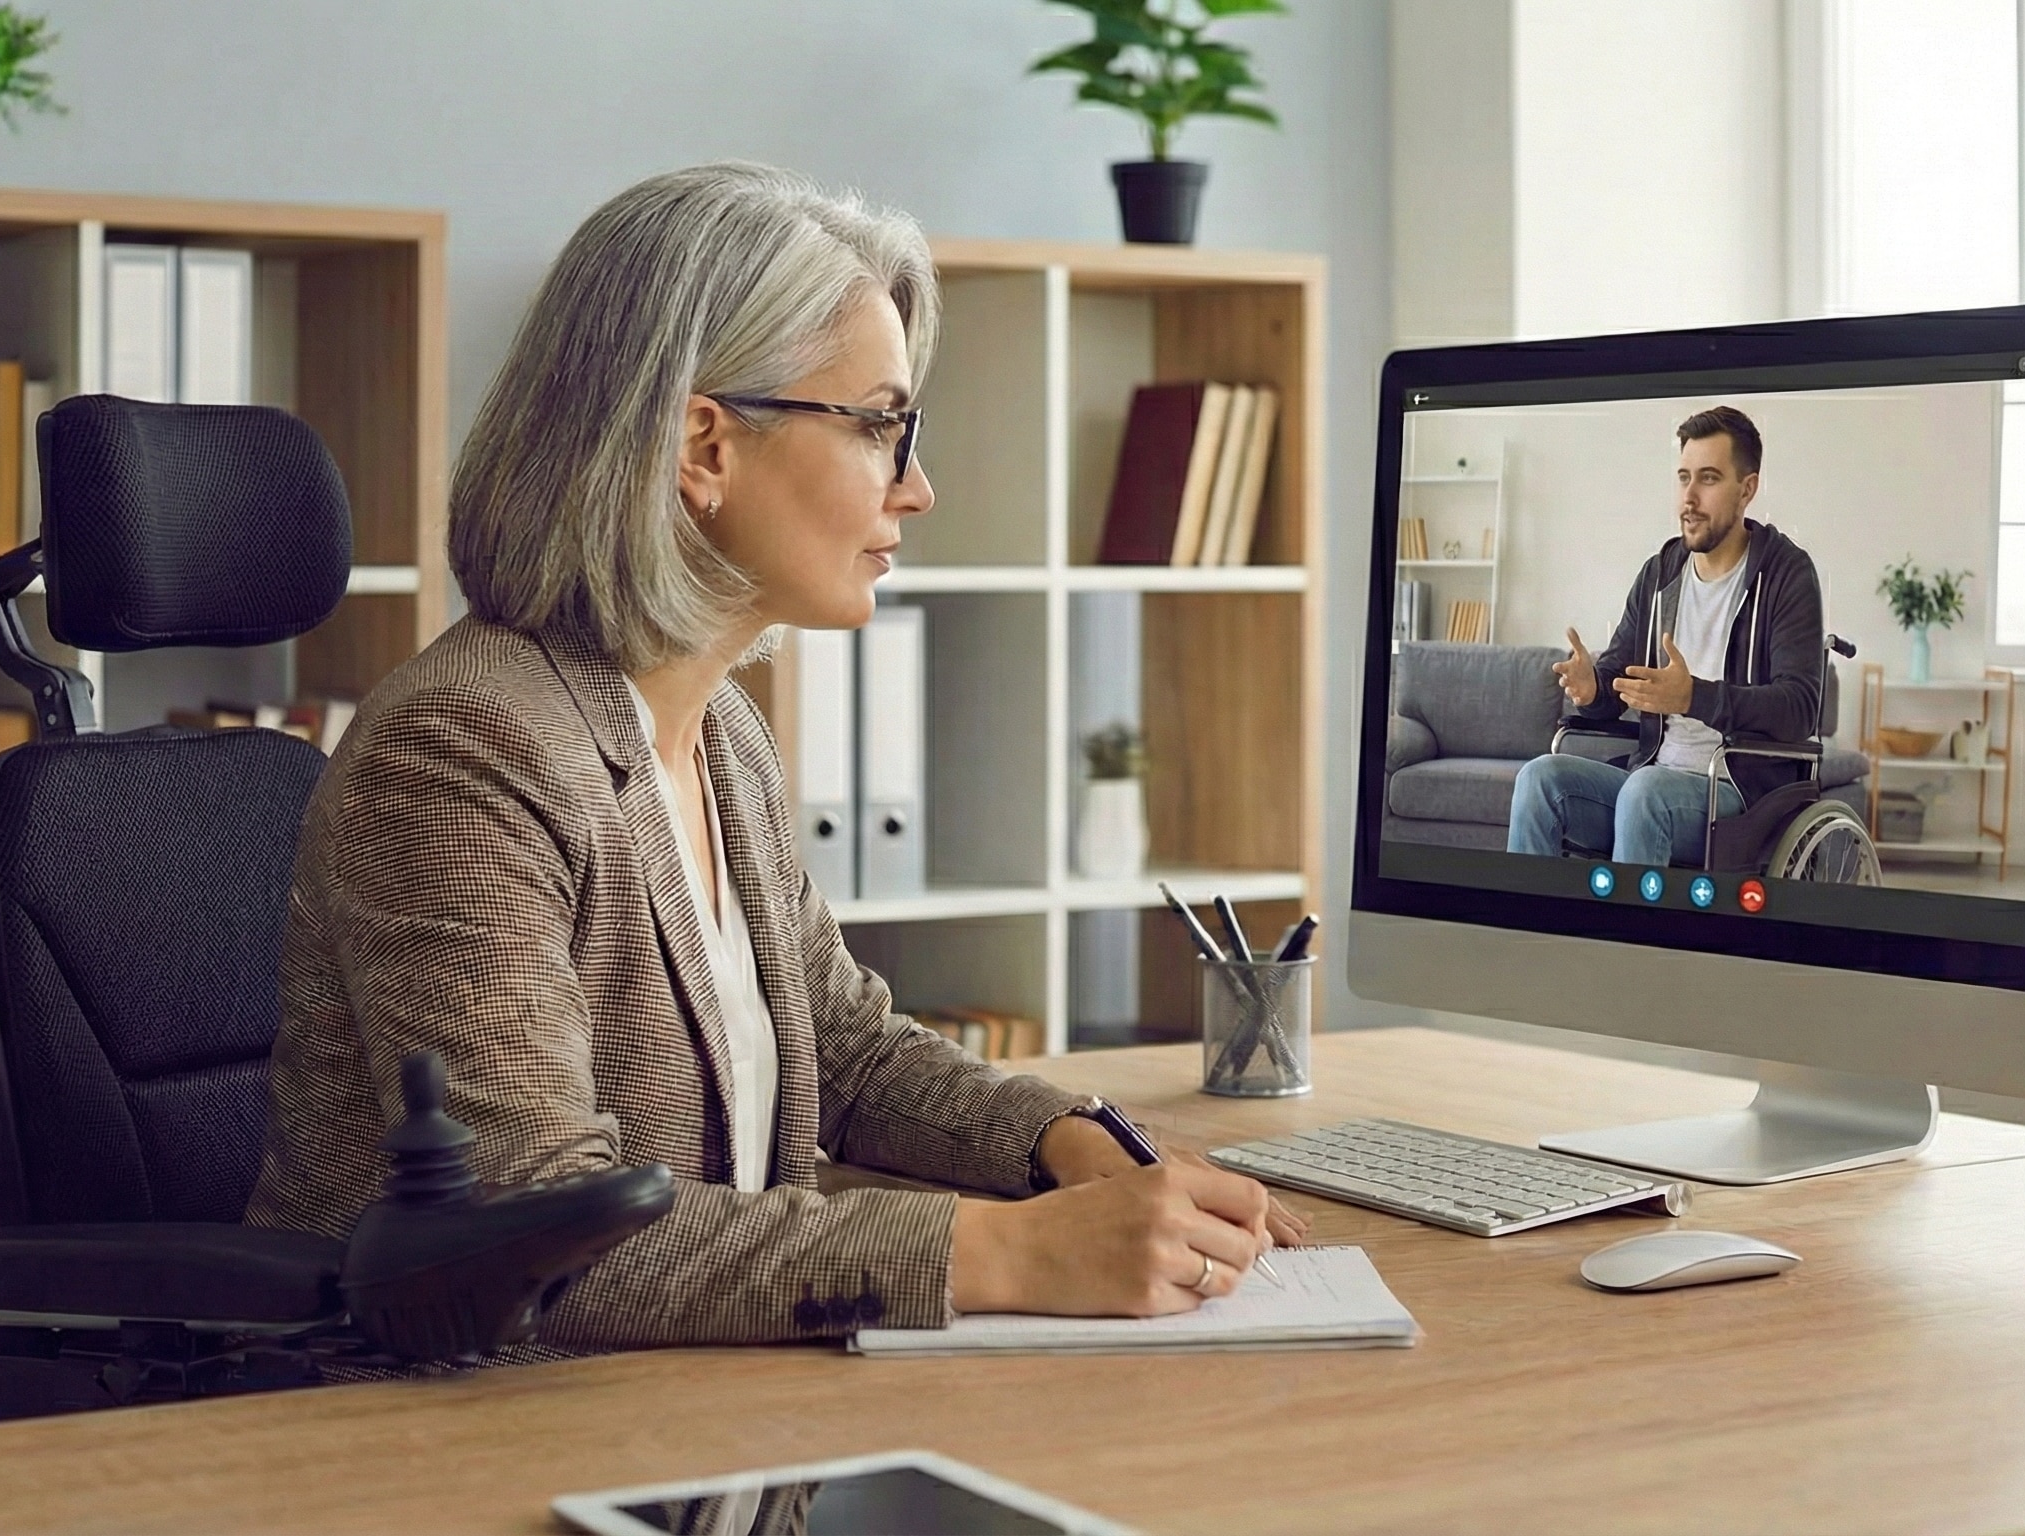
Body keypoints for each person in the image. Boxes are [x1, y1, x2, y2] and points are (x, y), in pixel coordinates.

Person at [246, 164, 1303, 1353]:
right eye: (880, 426)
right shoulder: (464, 751)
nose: (918, 487)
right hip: (448, 1435)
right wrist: (1006, 1250)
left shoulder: (718, 734)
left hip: (685, 1408)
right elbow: (530, 1231)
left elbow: (841, 1049)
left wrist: (1059, 1135)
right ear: (705, 446)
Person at [1505, 406, 1824, 867]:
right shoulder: (1660, 575)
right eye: (1683, 478)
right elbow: (1618, 679)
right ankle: (1527, 934)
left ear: (1747, 489)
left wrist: (1694, 697)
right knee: (1539, 780)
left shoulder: (1786, 575)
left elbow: (1798, 709)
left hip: (1740, 799)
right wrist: (1594, 687)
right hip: (1650, 781)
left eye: (1709, 479)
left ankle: (1628, 941)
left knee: (1646, 792)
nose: (1688, 498)